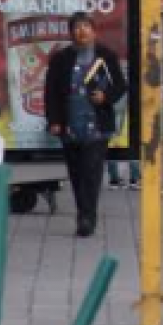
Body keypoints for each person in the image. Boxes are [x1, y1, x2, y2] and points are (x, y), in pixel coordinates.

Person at [45, 12, 128, 237]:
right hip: (70, 124)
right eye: (77, 27)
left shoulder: (105, 56)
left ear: (94, 30)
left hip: (97, 125)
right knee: (76, 172)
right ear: (71, 32)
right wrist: (54, 121)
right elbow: (51, 91)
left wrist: (106, 96)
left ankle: (87, 217)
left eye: (85, 26)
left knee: (92, 170)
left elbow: (120, 85)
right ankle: (83, 210)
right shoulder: (61, 59)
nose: (81, 31)